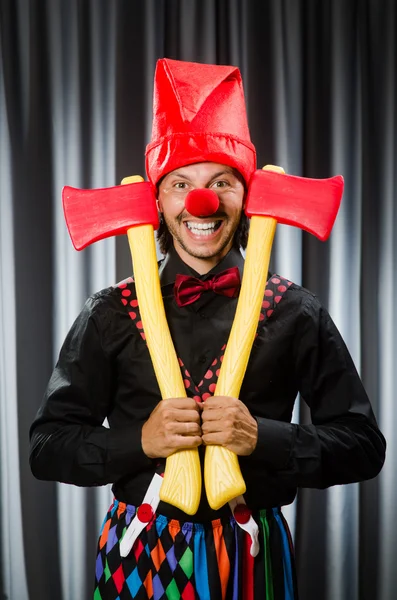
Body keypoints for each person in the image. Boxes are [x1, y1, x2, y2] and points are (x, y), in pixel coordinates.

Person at [30, 58, 386, 600]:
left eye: (222, 182)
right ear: (156, 201)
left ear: (248, 200)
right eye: (181, 184)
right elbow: (47, 446)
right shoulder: (108, 311)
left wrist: (263, 437)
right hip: (139, 552)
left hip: (253, 551)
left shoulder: (297, 311)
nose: (203, 202)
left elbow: (364, 447)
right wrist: (138, 442)